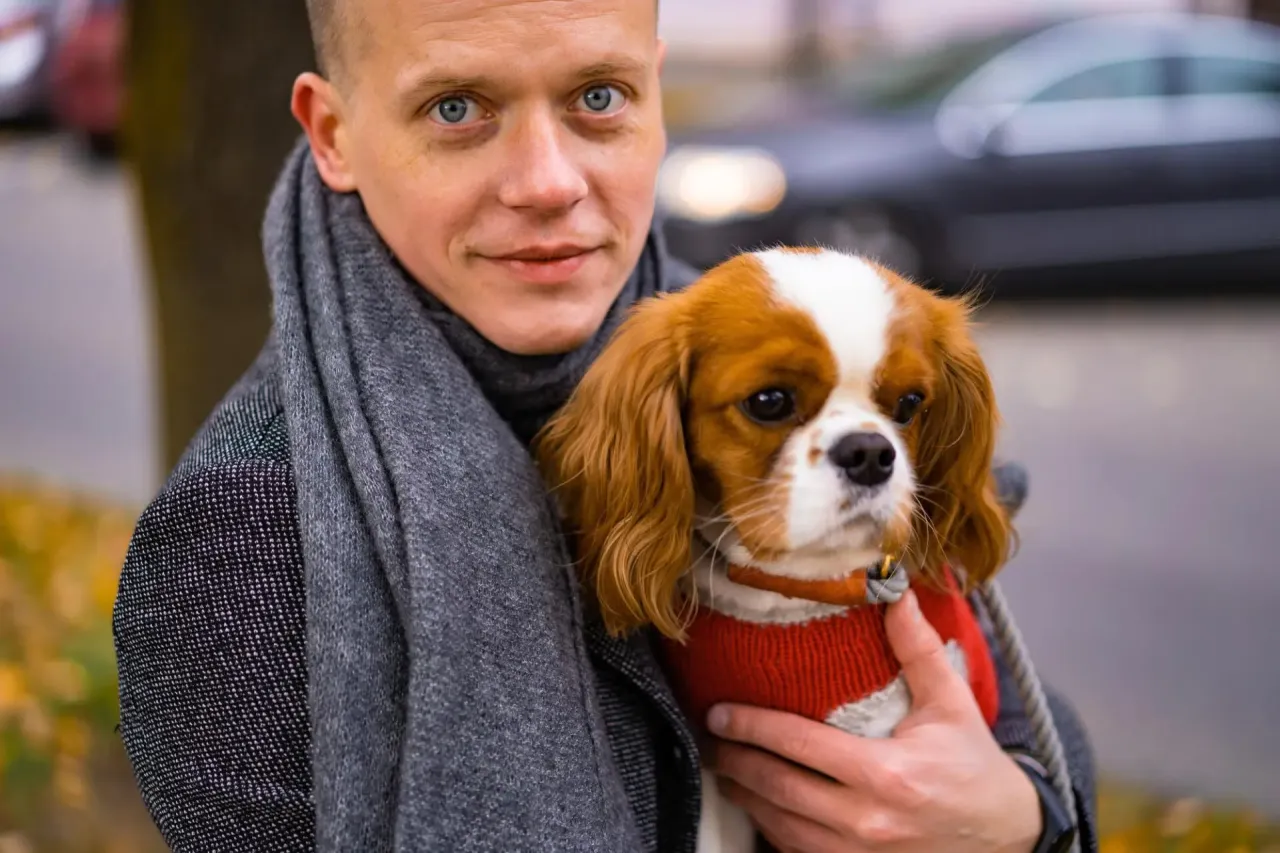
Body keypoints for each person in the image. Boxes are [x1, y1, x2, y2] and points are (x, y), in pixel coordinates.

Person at [111, 0, 1098, 851]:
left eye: (597, 96)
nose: (547, 182)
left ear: (654, 96)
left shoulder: (774, 326)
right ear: (333, 134)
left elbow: (1029, 721)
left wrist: (1020, 817)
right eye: (456, 108)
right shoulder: (238, 537)